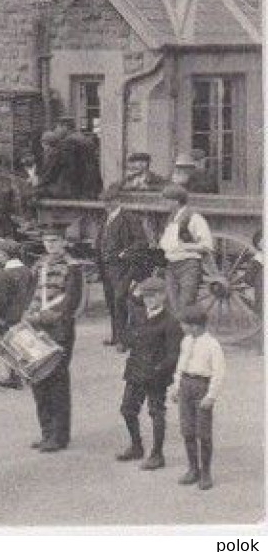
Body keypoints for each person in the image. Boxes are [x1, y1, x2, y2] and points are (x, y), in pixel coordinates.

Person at [24, 222, 83, 452]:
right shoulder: (39, 265)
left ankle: (60, 436)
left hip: (59, 329)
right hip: (36, 328)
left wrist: (44, 317)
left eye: (55, 241)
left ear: (64, 242)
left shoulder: (73, 267)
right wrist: (28, 314)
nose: (51, 245)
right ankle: (46, 432)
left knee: (57, 382)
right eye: (47, 241)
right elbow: (29, 293)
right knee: (39, 380)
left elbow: (71, 302)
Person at [117, 275, 183, 470]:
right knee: (128, 410)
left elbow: (173, 355)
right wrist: (126, 337)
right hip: (136, 371)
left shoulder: (171, 322)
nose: (149, 300)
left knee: (156, 413)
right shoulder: (138, 315)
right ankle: (136, 446)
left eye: (153, 296)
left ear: (163, 296)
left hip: (156, 376)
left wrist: (159, 371)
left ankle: (157, 454)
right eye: (146, 296)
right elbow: (128, 337)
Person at [174, 304, 224, 490]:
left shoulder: (212, 345)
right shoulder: (186, 341)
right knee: (187, 430)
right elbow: (181, 364)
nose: (182, 327)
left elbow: (219, 373)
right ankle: (193, 469)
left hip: (202, 386)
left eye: (184, 324)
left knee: (203, 432)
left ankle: (206, 473)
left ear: (195, 325)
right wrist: (177, 385)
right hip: (186, 385)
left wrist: (211, 396)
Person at [97, 188, 151, 348]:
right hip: (106, 267)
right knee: (111, 302)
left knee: (120, 300)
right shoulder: (106, 218)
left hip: (123, 267)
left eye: (110, 201)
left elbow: (142, 242)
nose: (107, 205)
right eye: (104, 201)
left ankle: (124, 340)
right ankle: (116, 337)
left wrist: (124, 254)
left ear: (118, 200)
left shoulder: (129, 218)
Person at [0, 238, 35, 389]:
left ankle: (14, 378)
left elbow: (1, 301)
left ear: (5, 254)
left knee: (9, 347)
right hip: (25, 315)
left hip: (8, 318)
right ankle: (31, 374)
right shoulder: (28, 271)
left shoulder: (5, 274)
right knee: (25, 345)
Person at [159, 184, 213, 312]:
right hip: (171, 266)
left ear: (176, 201)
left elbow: (207, 246)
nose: (163, 203)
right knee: (173, 305)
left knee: (186, 305)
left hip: (189, 266)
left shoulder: (195, 218)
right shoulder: (172, 218)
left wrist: (183, 246)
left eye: (166, 200)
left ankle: (186, 331)